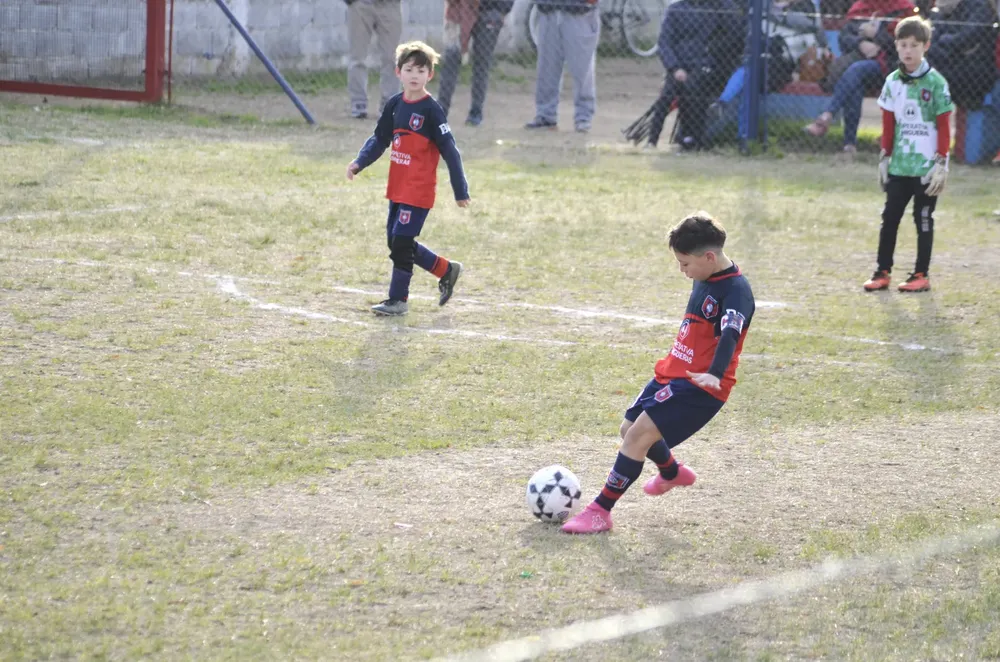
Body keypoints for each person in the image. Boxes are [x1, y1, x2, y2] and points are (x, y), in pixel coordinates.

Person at [562, 213, 755, 534]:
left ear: (709, 257)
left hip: (701, 387)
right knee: (628, 429)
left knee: (638, 437)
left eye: (685, 264)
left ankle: (600, 512)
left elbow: (730, 336)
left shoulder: (736, 291)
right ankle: (671, 472)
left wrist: (715, 374)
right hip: (673, 372)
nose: (683, 271)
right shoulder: (705, 274)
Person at [347, 42, 472, 316]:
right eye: (409, 69)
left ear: (430, 75)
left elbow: (450, 150)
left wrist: (460, 189)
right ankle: (445, 269)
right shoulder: (394, 105)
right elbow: (380, 138)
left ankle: (398, 300)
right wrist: (359, 162)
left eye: (421, 70)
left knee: (402, 243)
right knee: (396, 242)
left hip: (419, 189)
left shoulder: (431, 110)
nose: (414, 75)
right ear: (398, 72)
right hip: (398, 187)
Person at [863, 15, 953, 293]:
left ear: (925, 46)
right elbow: (888, 123)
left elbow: (943, 126)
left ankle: (920, 274)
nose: (908, 51)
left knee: (923, 218)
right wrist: (885, 156)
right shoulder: (892, 82)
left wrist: (941, 162)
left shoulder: (936, 83)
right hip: (900, 165)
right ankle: (882, 271)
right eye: (903, 45)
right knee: (889, 217)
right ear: (896, 46)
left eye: (914, 45)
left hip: (926, 167)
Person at [622, 0, 743, 149]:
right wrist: (674, 68)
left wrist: (706, 60)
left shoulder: (716, 9)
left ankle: (690, 139)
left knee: (692, 92)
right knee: (666, 96)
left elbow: (732, 34)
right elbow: (664, 43)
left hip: (703, 66)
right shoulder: (675, 10)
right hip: (678, 66)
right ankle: (652, 141)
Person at [803, 0, 917, 155]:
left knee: (855, 71)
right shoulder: (861, 7)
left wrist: (876, 35)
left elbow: (908, 46)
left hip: (891, 67)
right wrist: (860, 43)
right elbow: (844, 39)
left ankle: (827, 116)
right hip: (861, 64)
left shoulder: (905, 11)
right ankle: (849, 146)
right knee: (855, 84)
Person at [524, 0, 601, 133]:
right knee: (547, 68)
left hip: (579, 12)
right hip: (549, 11)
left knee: (582, 69)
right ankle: (546, 116)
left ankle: (583, 118)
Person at [436, 0, 515, 126]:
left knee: (482, 65)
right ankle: (440, 111)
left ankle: (475, 114)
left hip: (489, 11)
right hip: (458, 11)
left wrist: (502, 9)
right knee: (451, 60)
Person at [925, 0, 999, 110]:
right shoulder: (939, 9)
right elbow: (932, 41)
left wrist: (946, 40)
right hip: (946, 62)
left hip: (971, 71)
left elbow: (968, 37)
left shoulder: (978, 5)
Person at [346, 0, 403, 119]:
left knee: (392, 58)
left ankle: (389, 105)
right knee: (357, 57)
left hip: (390, 5)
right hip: (361, 4)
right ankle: (358, 105)